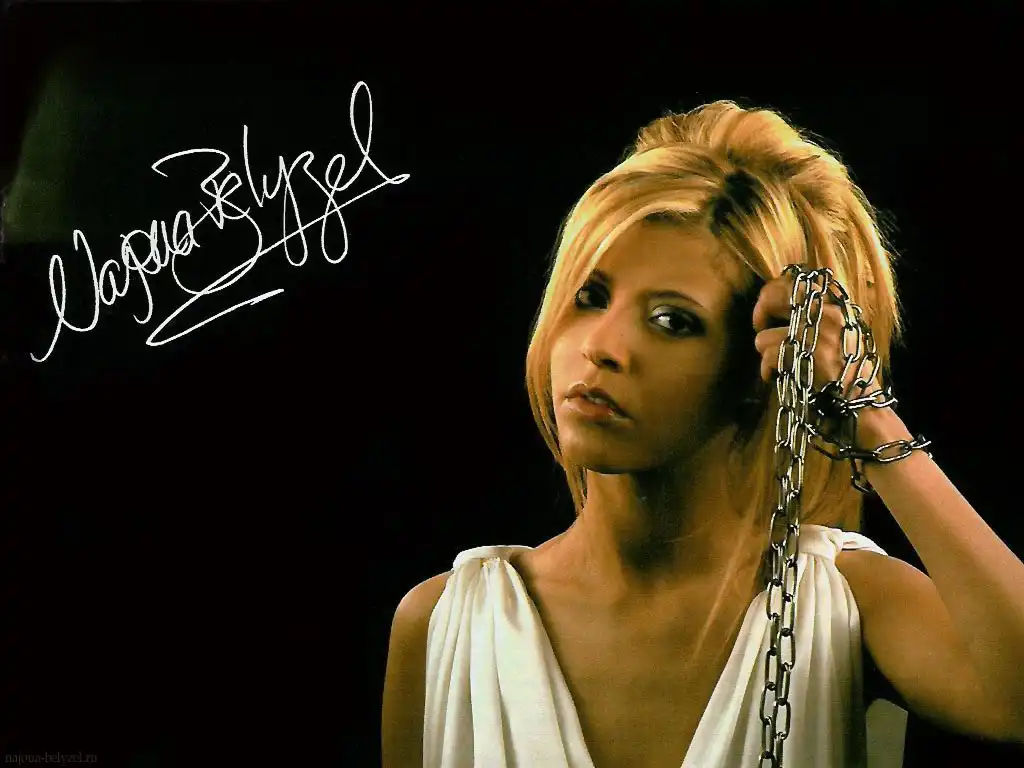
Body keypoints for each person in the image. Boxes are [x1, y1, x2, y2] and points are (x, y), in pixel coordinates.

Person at [381, 100, 1024, 767]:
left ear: (757, 368)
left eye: (672, 321)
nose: (602, 347)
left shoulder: (845, 603)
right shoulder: (441, 625)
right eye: (590, 297)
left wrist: (865, 412)